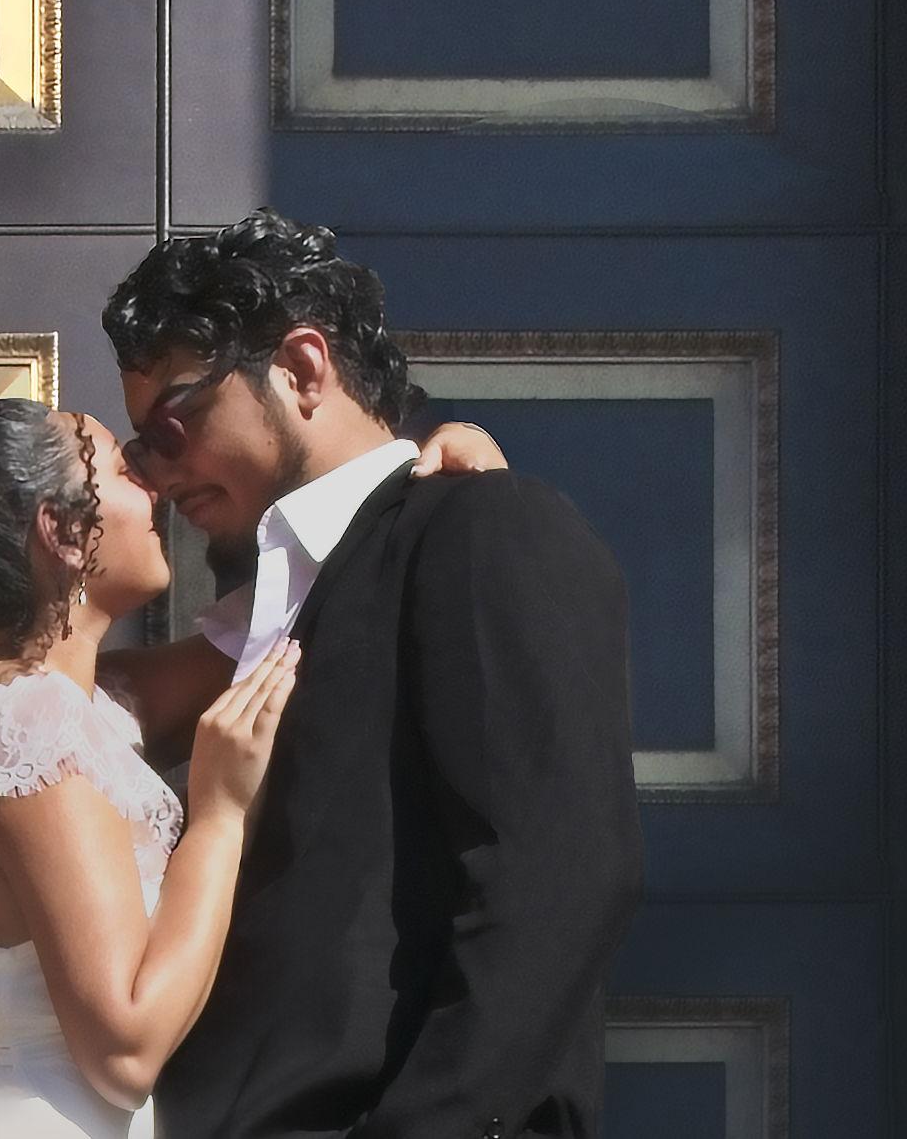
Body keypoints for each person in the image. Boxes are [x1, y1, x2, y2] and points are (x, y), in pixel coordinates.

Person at [0, 361, 508, 1138]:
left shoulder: (84, 709)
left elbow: (288, 628)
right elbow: (125, 1049)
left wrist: (430, 490)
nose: (154, 487)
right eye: (121, 469)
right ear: (62, 532)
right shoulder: (27, 734)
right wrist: (219, 815)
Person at [96, 209, 646, 1139]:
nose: (156, 472)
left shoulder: (480, 527)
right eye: (139, 446)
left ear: (302, 368)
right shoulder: (264, 615)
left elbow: (556, 880)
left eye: (174, 421)